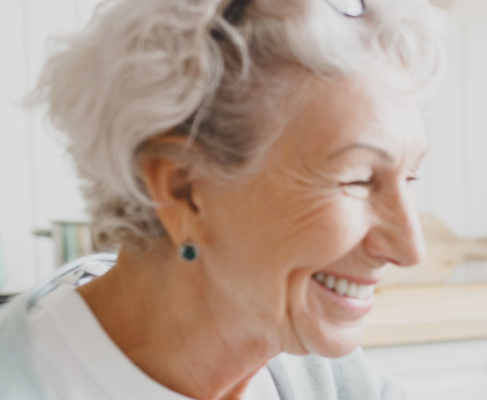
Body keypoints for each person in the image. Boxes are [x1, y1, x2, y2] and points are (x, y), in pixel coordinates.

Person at [0, 0, 444, 398]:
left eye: (411, 176)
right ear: (184, 191)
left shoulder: (317, 364)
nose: (410, 248)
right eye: (358, 180)